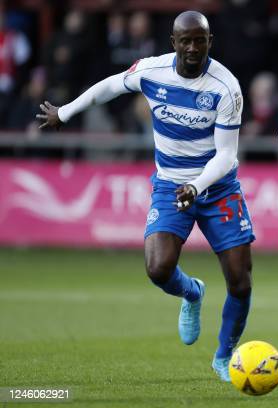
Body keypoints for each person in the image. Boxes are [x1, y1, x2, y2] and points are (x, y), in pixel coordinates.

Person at [36, 11, 254, 382]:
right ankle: (192, 292)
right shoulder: (152, 71)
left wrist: (197, 186)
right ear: (173, 43)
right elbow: (109, 86)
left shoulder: (225, 87)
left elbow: (226, 155)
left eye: (199, 40)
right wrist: (66, 112)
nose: (191, 47)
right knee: (158, 268)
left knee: (240, 280)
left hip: (216, 188)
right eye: (184, 40)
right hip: (170, 183)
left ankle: (223, 357)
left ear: (209, 42)